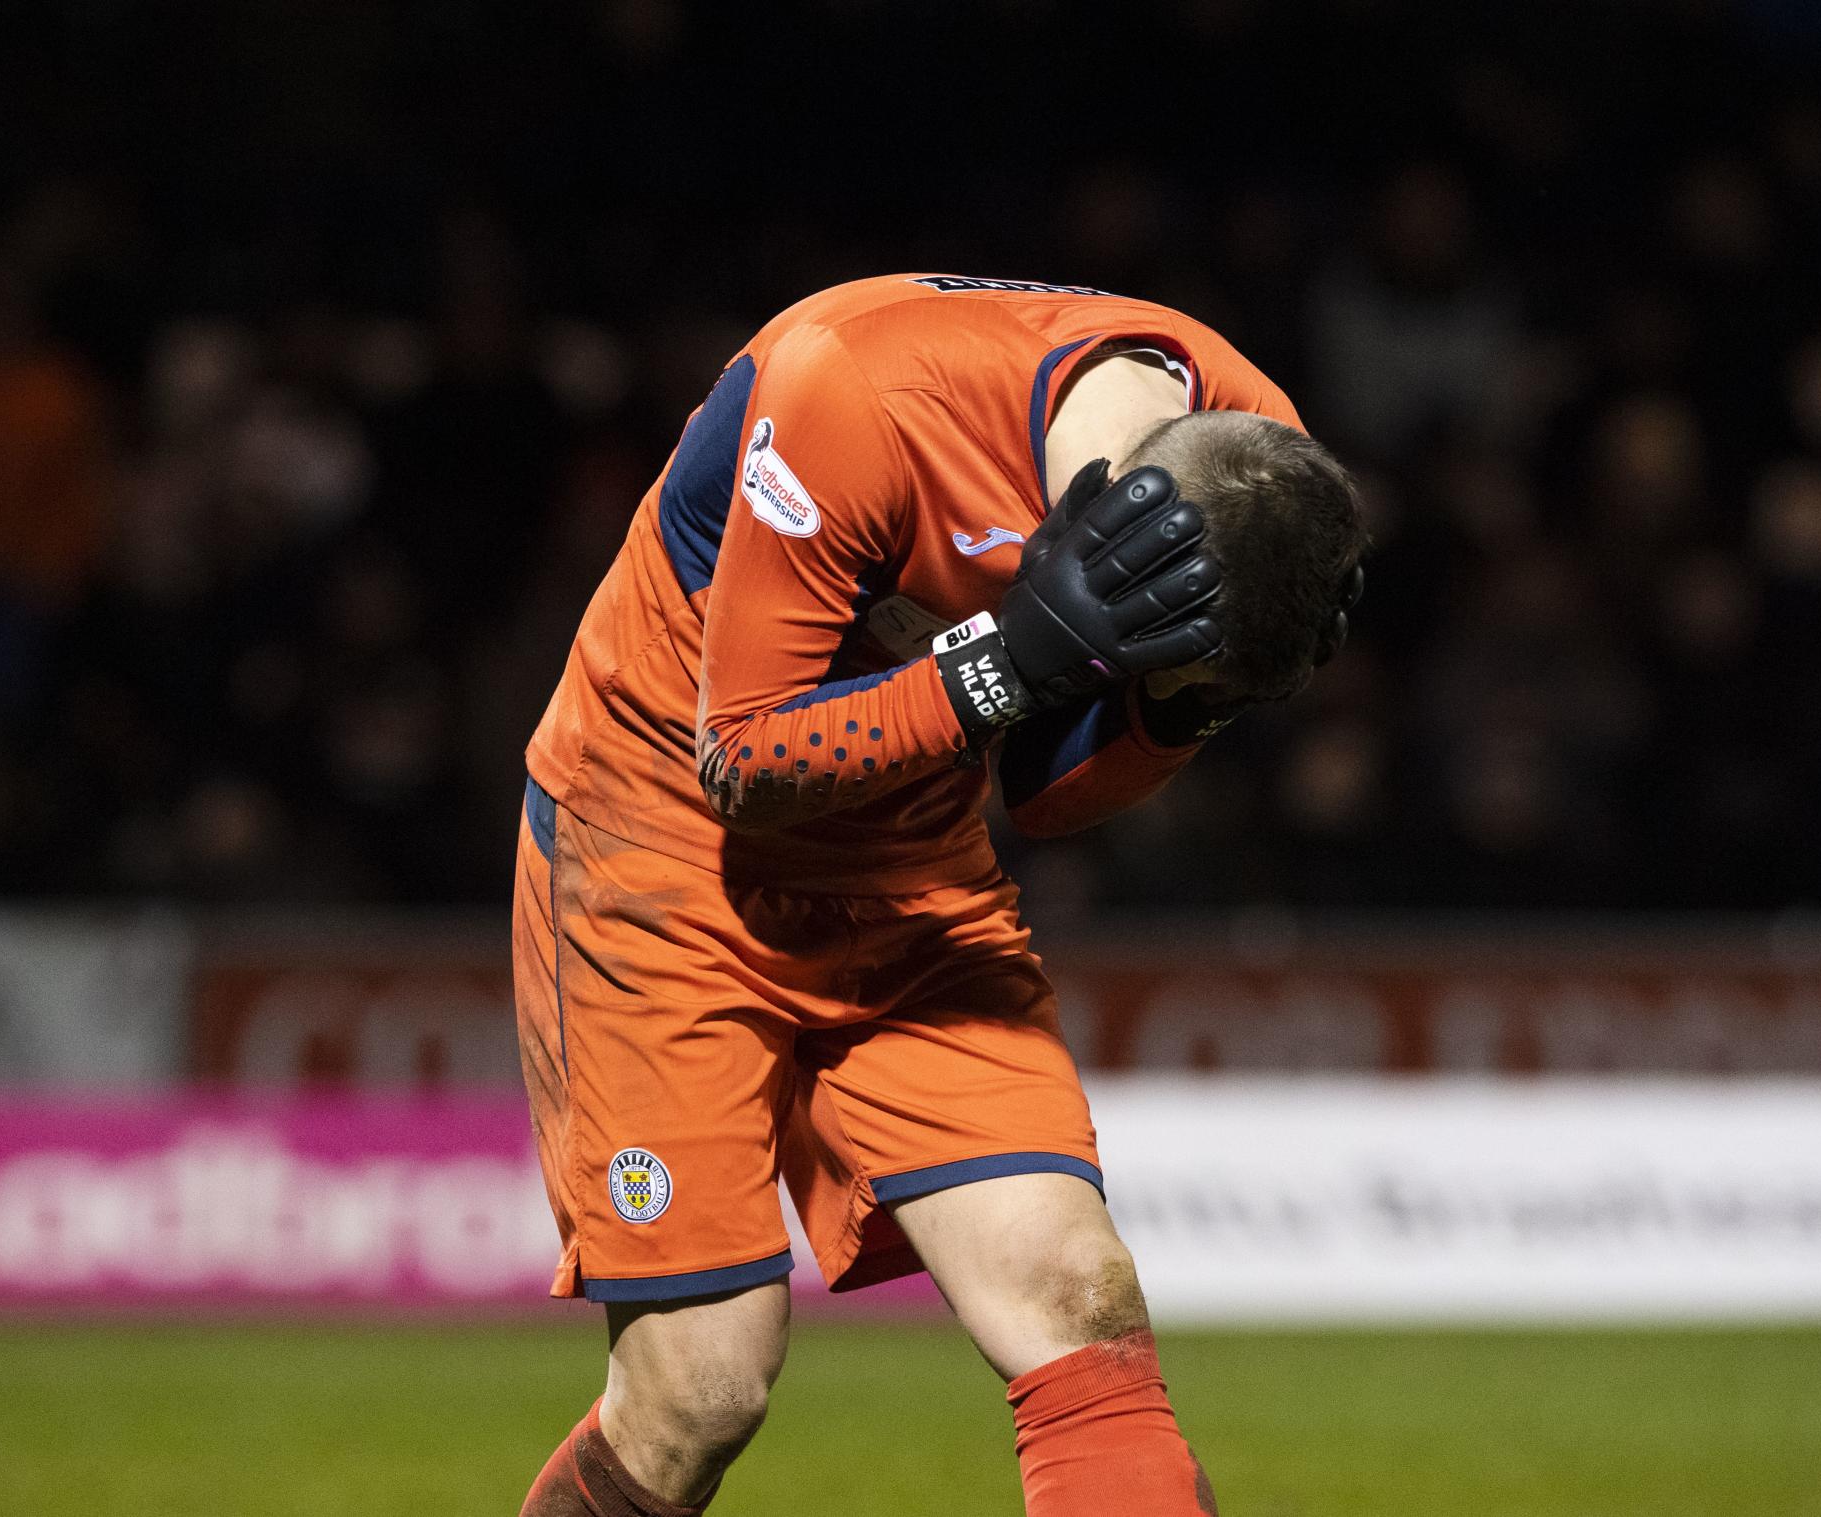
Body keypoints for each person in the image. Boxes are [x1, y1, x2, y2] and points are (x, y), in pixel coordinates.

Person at [514, 273, 1367, 1516]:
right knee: (701, 1391)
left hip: (912, 869)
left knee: (1078, 1301)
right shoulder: (855, 394)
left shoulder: (1250, 465)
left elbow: (1048, 794)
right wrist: (1008, 659)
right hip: (660, 853)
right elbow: (743, 763)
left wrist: (1184, 705)